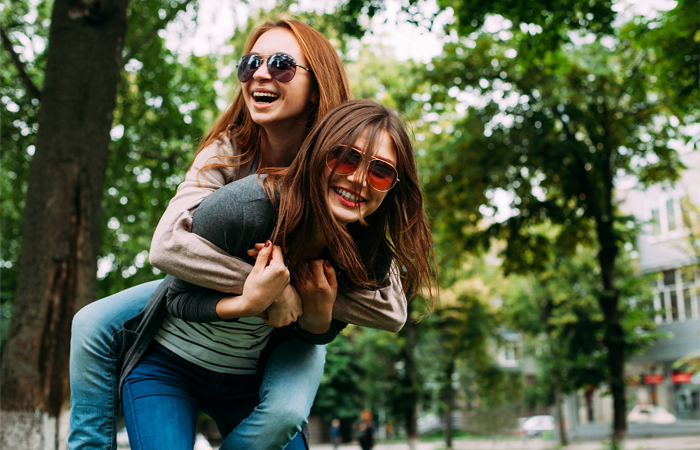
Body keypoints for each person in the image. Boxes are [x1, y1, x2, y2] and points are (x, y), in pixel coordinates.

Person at [68, 18, 408, 450]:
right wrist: (261, 291)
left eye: (282, 64)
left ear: (317, 82)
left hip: (286, 324)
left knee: (283, 414)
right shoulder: (227, 151)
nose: (261, 74)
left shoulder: (343, 159)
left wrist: (303, 300)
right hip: (208, 281)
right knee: (92, 323)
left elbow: (390, 305)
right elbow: (170, 244)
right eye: (250, 64)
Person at [118, 99, 437, 450]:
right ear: (316, 152)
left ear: (392, 187)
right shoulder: (243, 209)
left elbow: (313, 332)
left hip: (248, 382)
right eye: (345, 157)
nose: (358, 178)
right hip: (167, 368)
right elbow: (176, 298)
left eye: (380, 171)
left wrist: (316, 315)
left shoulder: (366, 253)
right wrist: (252, 300)